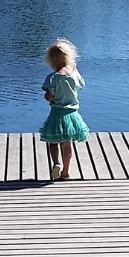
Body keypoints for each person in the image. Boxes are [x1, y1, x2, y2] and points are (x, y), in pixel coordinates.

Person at [39, 38, 89, 180]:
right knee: (67, 145)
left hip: (57, 115)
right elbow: (81, 85)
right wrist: (75, 69)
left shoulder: (53, 78)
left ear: (51, 59)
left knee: (53, 141)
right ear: (69, 56)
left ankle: (56, 163)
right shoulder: (74, 74)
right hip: (72, 115)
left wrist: (50, 95)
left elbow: (49, 97)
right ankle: (66, 172)